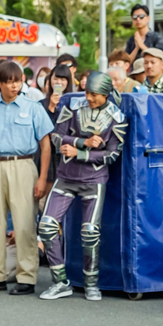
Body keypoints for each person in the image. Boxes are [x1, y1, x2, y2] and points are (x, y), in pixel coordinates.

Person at [38, 70, 128, 302]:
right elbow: (56, 137)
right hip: (65, 177)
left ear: (106, 94)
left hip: (93, 181)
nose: (89, 97)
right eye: (87, 92)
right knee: (47, 227)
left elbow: (113, 155)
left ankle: (91, 283)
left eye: (95, 94)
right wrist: (81, 142)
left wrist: (81, 153)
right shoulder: (73, 107)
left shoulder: (117, 118)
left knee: (90, 232)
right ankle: (60, 282)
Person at [0, 60, 52, 295]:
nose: (15, 86)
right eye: (10, 81)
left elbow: (45, 145)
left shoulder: (34, 107)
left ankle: (27, 278)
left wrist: (42, 177)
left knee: (25, 223)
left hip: (23, 165)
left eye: (18, 81)